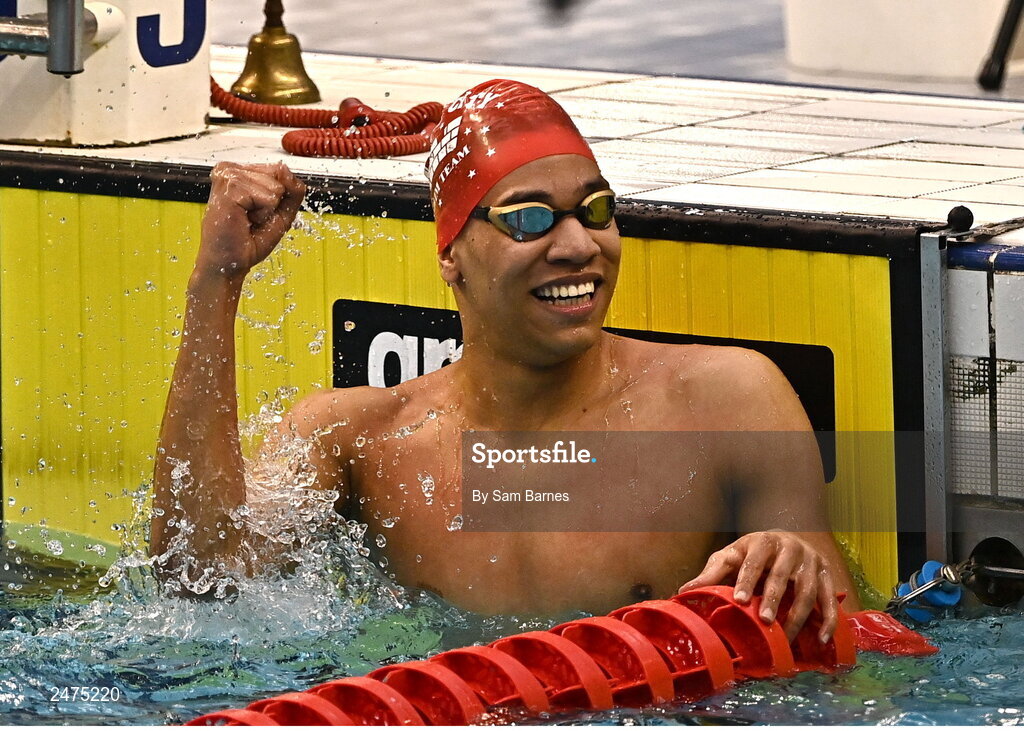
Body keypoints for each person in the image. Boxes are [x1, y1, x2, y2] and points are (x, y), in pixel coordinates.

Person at [152, 79, 860, 643]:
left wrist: (797, 577)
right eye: (529, 218)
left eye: (597, 208)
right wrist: (215, 285)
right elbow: (199, 577)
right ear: (451, 255)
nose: (580, 244)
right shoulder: (361, 439)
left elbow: (858, 654)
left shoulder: (727, 405)